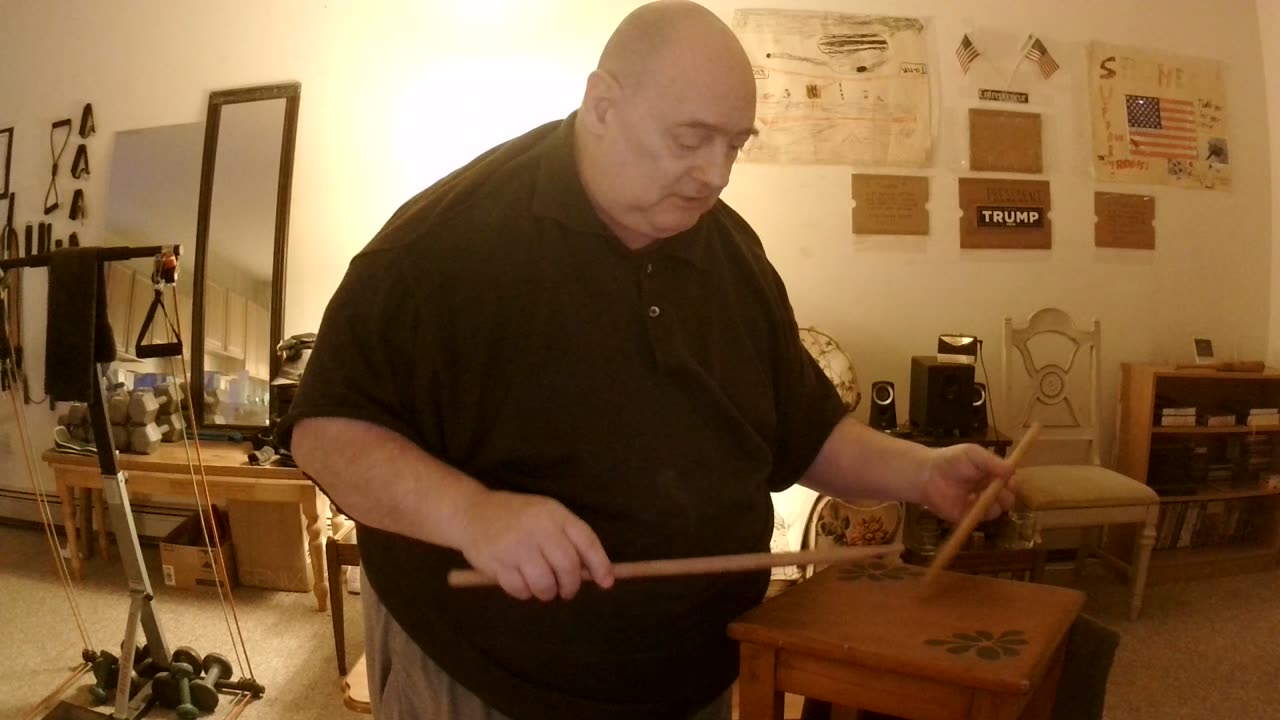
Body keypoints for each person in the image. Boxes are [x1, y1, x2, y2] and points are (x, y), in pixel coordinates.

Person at [283, 2, 1015, 719]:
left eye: (735, 143)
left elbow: (804, 430)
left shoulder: (731, 251)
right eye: (691, 138)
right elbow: (327, 433)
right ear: (601, 104)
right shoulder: (442, 246)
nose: (716, 173)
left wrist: (922, 473)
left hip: (696, 668)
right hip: (489, 675)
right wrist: (474, 514)